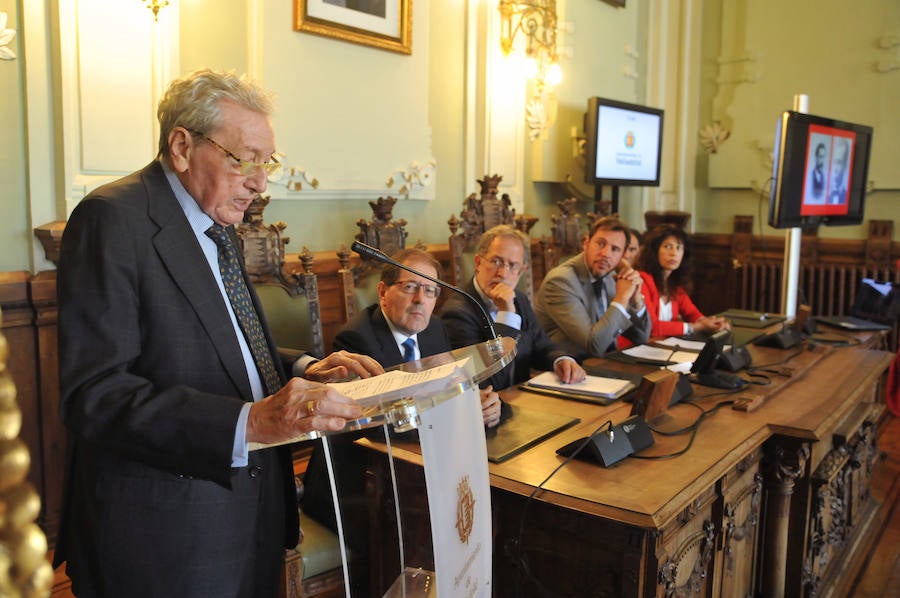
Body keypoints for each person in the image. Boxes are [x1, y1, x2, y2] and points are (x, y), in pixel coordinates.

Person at [54, 69, 384, 598]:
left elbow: (224, 341)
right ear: (182, 146)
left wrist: (302, 368)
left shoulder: (215, 220)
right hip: (164, 541)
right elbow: (95, 394)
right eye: (243, 159)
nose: (260, 181)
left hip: (245, 513)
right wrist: (248, 422)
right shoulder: (112, 219)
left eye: (267, 161)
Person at [332, 247, 502, 426]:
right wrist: (458, 416)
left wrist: (482, 403)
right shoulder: (355, 340)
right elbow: (372, 425)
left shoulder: (435, 329)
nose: (420, 299)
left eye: (429, 290)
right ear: (383, 293)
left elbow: (452, 387)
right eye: (410, 287)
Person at [440, 225, 585, 391]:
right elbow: (489, 381)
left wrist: (561, 360)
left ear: (521, 271)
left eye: (513, 265)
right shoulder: (457, 313)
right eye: (496, 262)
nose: (502, 273)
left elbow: (541, 346)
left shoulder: (519, 300)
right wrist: (507, 315)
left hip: (523, 398)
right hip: (491, 409)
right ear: (478, 263)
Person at [534, 216, 651, 358]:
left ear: (622, 256)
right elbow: (594, 346)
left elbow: (641, 337)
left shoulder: (609, 277)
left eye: (615, 249)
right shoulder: (561, 281)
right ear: (587, 243)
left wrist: (636, 301)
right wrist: (621, 298)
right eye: (601, 244)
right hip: (568, 370)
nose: (606, 254)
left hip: (603, 366)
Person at [637, 224, 730, 337]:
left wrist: (713, 324)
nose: (674, 253)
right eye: (667, 246)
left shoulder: (674, 284)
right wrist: (697, 327)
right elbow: (652, 327)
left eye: (679, 248)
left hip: (664, 346)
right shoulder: (642, 280)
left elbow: (692, 313)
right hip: (637, 349)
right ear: (654, 251)